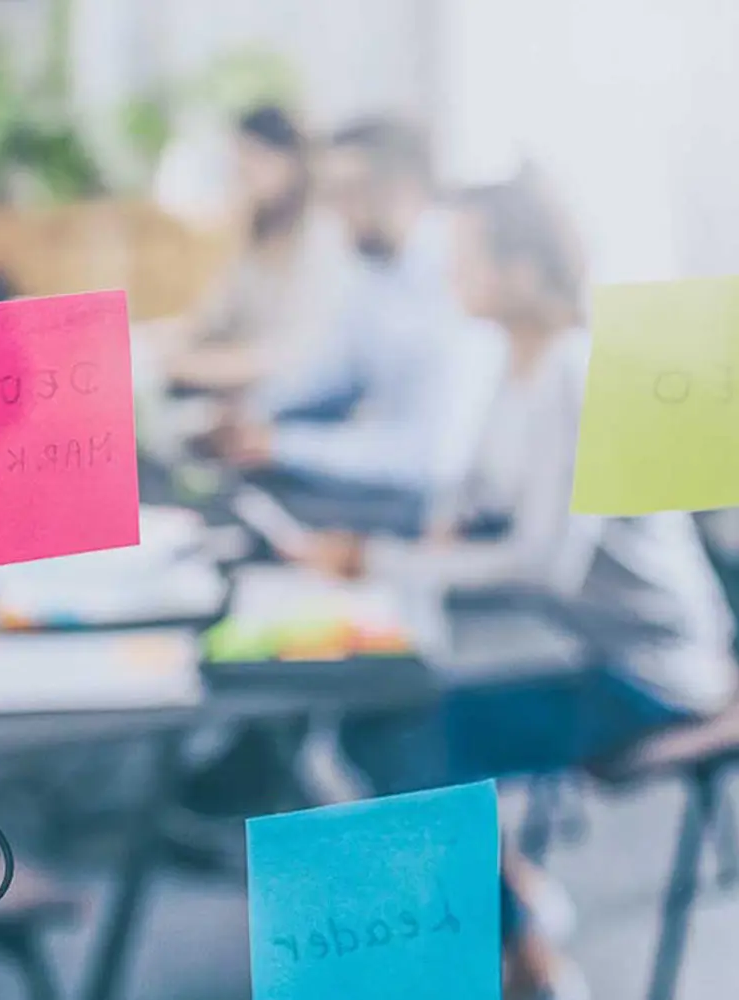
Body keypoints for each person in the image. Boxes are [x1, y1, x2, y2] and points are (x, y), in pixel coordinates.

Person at [287, 164, 739, 999]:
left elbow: (544, 561)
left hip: (648, 667)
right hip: (565, 640)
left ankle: (524, 951)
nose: (450, 278)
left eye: (468, 260)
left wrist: (382, 562)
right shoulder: (514, 361)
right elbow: (488, 493)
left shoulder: (574, 369)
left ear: (524, 273)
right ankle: (511, 902)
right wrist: (443, 525)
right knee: (377, 730)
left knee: (413, 742)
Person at [216, 116, 505, 536]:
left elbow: (429, 460)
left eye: (348, 192)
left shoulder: (459, 277)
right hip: (390, 483)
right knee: (236, 498)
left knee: (254, 522)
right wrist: (252, 414)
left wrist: (281, 445)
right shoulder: (378, 268)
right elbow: (336, 372)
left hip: (433, 508)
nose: (333, 211)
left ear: (404, 190)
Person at [165, 105, 349, 398]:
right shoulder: (250, 230)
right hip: (232, 389)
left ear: (292, 163)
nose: (244, 174)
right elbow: (213, 316)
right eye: (238, 163)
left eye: (254, 160)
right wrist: (170, 346)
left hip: (287, 397)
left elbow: (293, 355)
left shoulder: (322, 238)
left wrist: (190, 366)